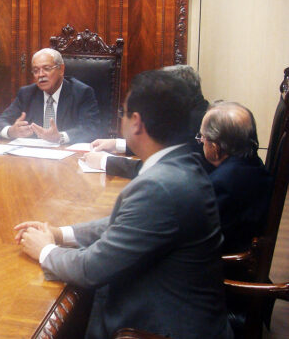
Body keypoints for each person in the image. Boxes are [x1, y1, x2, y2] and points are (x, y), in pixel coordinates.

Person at [14, 70, 232, 338]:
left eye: (123, 113)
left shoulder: (160, 185)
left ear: (137, 123)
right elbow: (126, 224)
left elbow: (90, 269)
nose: (121, 120)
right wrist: (61, 234)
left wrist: (45, 250)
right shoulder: (182, 163)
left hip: (153, 328)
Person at [84, 64, 210, 177]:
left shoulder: (196, 123)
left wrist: (105, 161)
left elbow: (159, 168)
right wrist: (117, 144)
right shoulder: (197, 113)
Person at [198, 101, 272, 253]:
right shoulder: (254, 164)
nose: (200, 141)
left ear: (215, 147)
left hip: (225, 264)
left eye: (202, 137)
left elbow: (202, 237)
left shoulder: (221, 184)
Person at [0, 48, 100, 144]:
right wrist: (11, 131)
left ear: (61, 69)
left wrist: (59, 137)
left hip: (67, 155)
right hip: (32, 158)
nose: (41, 75)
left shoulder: (81, 93)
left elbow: (91, 129)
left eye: (47, 68)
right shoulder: (26, 94)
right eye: (36, 70)